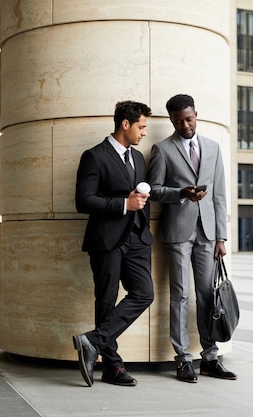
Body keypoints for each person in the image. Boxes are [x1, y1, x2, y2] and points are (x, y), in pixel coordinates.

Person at [146, 94, 236, 383]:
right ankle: (183, 359)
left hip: (208, 235)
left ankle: (209, 357)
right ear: (171, 120)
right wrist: (180, 193)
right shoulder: (163, 149)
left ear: (196, 114)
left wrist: (221, 237)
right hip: (177, 234)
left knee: (207, 295)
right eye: (179, 120)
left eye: (189, 118)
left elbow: (220, 195)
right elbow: (155, 190)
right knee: (180, 295)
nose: (185, 125)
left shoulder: (212, 148)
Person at [73, 100, 155, 387]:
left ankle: (91, 341)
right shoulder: (94, 156)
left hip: (136, 239)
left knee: (144, 293)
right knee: (106, 301)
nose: (144, 133)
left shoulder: (139, 158)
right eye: (141, 126)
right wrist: (124, 204)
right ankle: (112, 366)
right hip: (106, 240)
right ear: (125, 124)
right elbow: (83, 201)